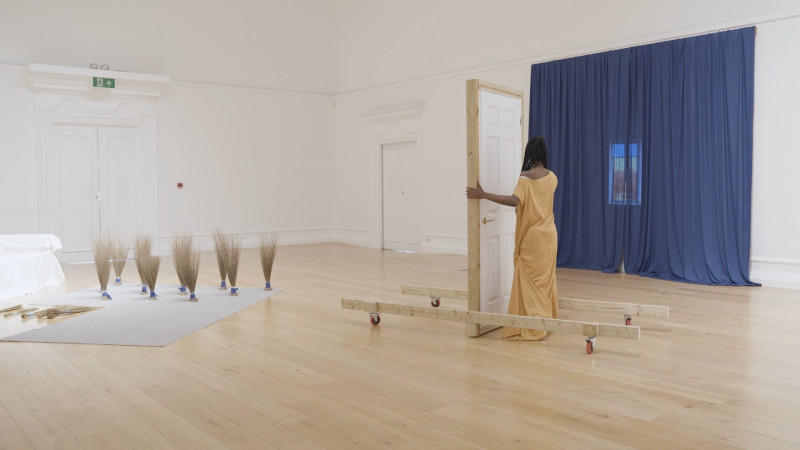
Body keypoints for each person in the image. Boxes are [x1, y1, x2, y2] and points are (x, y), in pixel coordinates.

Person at [466, 136, 558, 340]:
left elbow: (515, 201)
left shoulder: (525, 178)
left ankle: (533, 326)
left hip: (532, 238)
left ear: (530, 153)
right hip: (550, 235)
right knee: (543, 282)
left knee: (530, 283)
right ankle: (544, 319)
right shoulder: (553, 177)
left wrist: (484, 195)